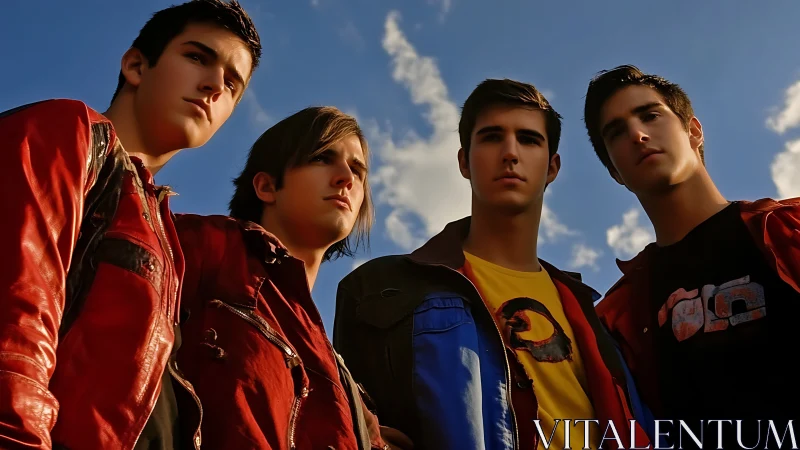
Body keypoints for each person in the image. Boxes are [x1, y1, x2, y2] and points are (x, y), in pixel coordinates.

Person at [334, 79, 650, 450]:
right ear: (464, 161)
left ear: (552, 168)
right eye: (491, 137)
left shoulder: (594, 319)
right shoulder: (379, 290)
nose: (510, 153)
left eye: (529, 140)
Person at [0, 1, 260, 448]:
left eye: (233, 83)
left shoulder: (167, 236)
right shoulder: (72, 131)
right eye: (198, 57)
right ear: (137, 65)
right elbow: (16, 320)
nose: (216, 85)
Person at [584, 64, 800, 448]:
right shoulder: (617, 319)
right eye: (616, 132)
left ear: (693, 131)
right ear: (614, 172)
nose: (637, 134)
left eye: (649, 115)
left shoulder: (789, 230)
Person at [175, 106, 412, 450]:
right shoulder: (197, 244)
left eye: (358, 170)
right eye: (322, 157)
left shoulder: (347, 389)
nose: (346, 177)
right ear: (267, 186)